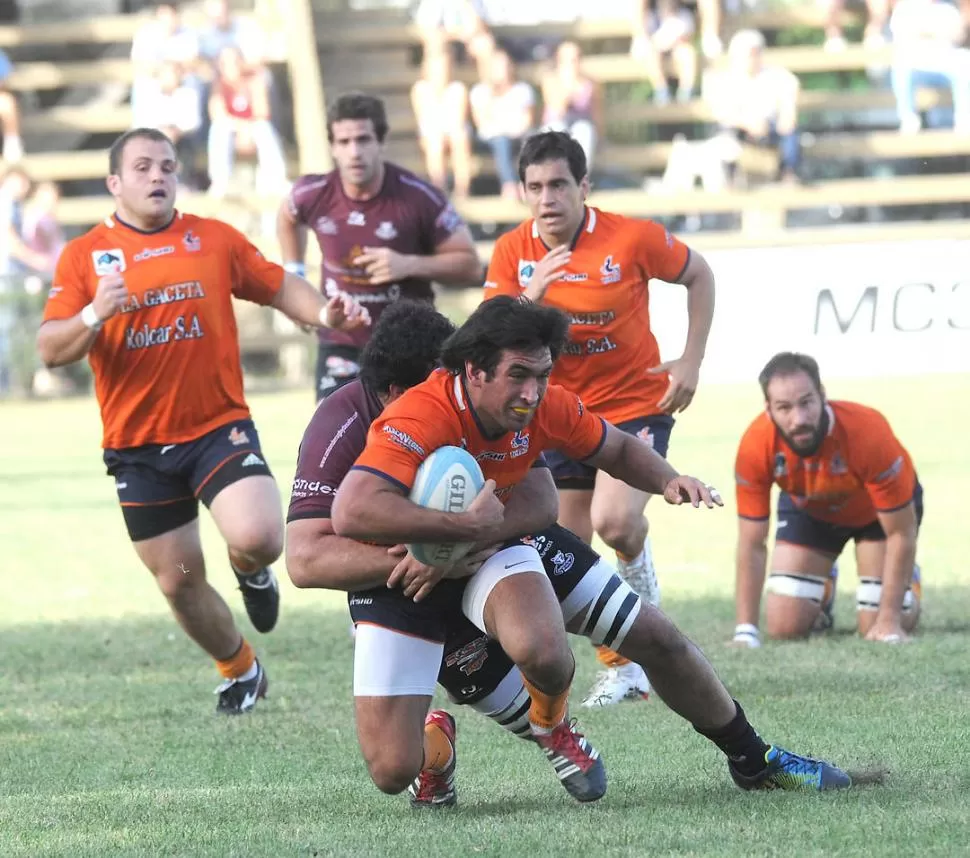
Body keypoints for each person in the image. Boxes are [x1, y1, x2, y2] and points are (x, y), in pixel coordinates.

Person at [330, 296, 853, 806]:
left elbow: (617, 448)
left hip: (489, 548)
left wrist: (669, 479)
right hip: (401, 578)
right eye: (519, 375)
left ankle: (752, 760)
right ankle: (437, 750)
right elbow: (351, 512)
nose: (533, 393)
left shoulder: (542, 404)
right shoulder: (421, 413)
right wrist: (453, 528)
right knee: (392, 769)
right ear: (475, 371)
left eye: (543, 375)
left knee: (591, 647)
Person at [35, 127, 369, 714]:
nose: (158, 176)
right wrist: (93, 312)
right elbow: (50, 348)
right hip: (138, 450)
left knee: (260, 537)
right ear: (115, 183)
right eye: (142, 167)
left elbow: (275, 285)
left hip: (217, 430)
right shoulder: (84, 256)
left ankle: (251, 570)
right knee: (180, 580)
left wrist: (323, 310)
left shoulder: (211, 239)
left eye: (166, 165)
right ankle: (241, 669)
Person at [482, 130, 716, 707]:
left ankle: (651, 651)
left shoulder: (629, 237)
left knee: (616, 521)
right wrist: (527, 298)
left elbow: (699, 274)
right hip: (558, 415)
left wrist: (690, 360)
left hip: (635, 404)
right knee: (568, 545)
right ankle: (625, 667)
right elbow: (485, 337)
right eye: (535, 186)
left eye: (559, 184)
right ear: (521, 191)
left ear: (583, 186)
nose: (547, 198)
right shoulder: (513, 253)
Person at [276, 92, 483, 403]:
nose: (354, 152)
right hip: (341, 341)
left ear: (381, 142)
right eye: (344, 142)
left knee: (420, 443)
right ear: (332, 146)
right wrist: (296, 273)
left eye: (363, 139)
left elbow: (470, 266)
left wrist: (409, 264)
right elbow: (287, 216)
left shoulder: (419, 198)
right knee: (335, 438)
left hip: (410, 347)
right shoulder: (312, 192)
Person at [732, 352, 923, 648]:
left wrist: (889, 620)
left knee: (875, 625)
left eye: (806, 402)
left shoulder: (868, 431)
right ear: (768, 409)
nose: (799, 419)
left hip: (877, 518)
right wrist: (746, 631)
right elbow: (752, 542)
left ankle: (910, 583)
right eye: (784, 408)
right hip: (810, 511)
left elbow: (901, 532)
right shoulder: (756, 444)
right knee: (784, 626)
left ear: (822, 395)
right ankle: (823, 586)